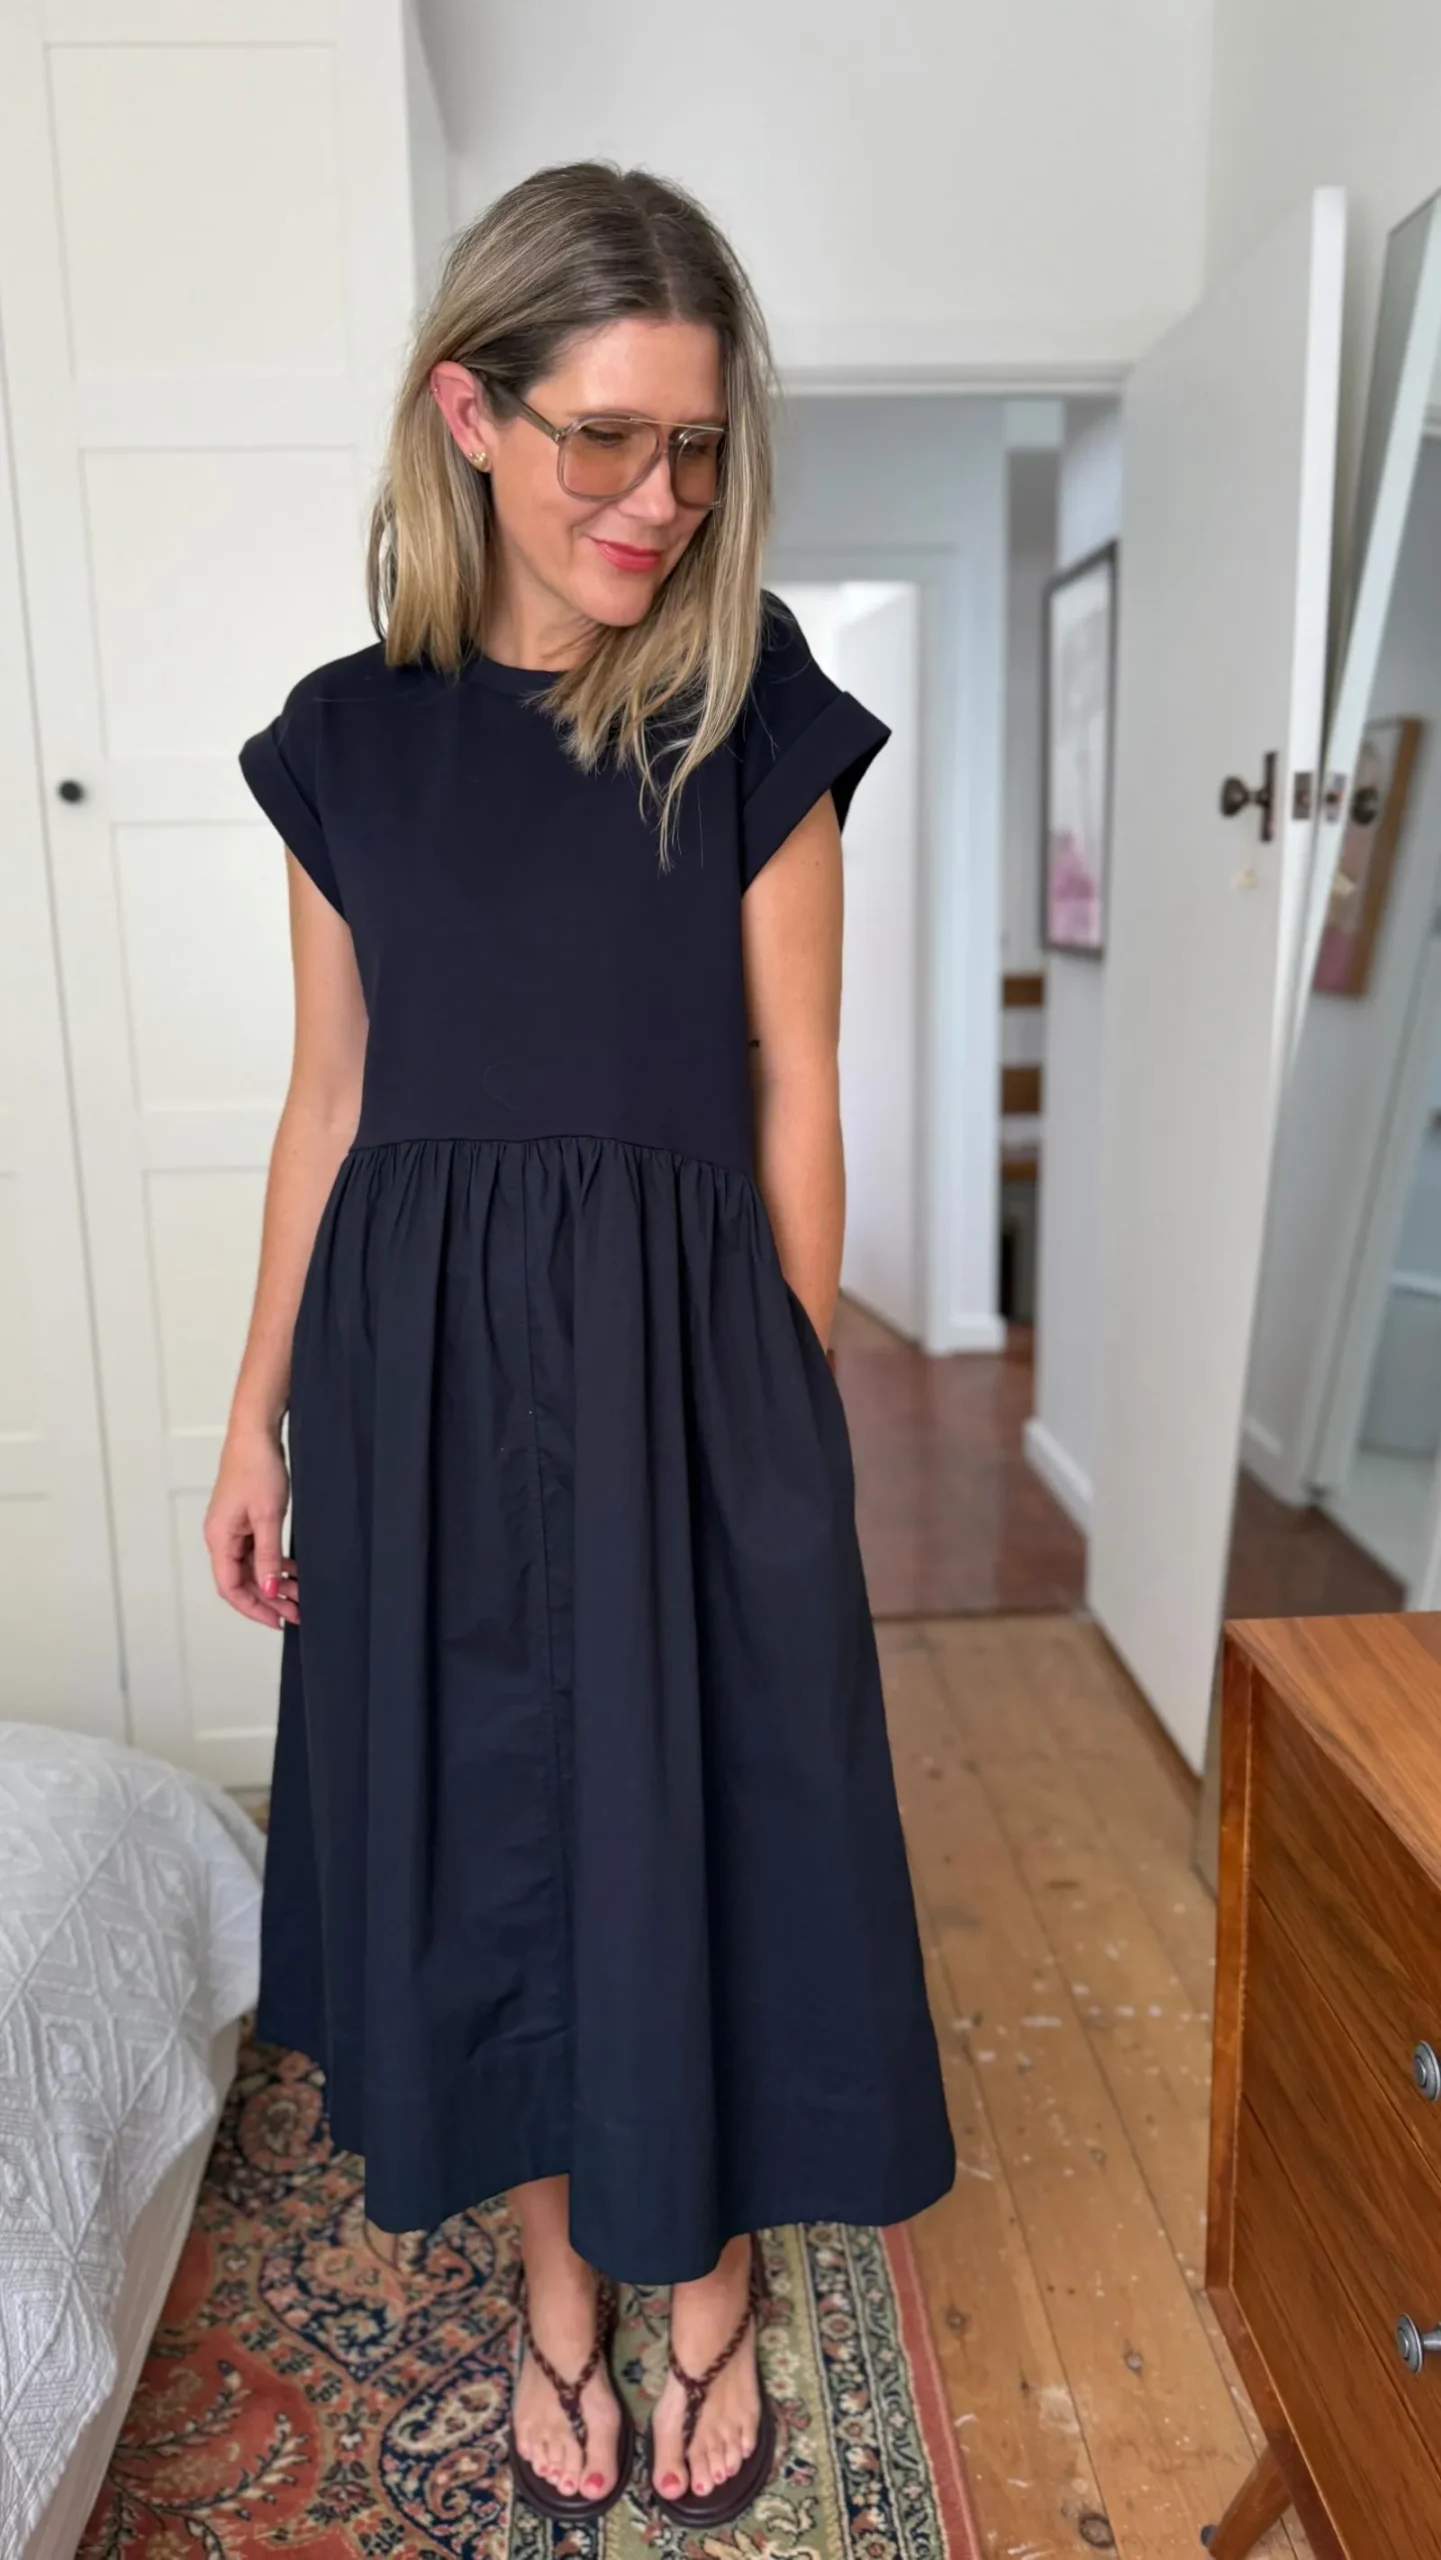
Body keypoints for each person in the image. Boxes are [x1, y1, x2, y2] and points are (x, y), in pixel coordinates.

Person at [206, 157, 954, 2533]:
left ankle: (703, 2278)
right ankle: (556, 2290)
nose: (664, 497)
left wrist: (782, 1395)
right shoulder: (343, 745)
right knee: (480, 1834)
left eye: (700, 446)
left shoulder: (755, 722)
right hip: (411, 1379)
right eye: (606, 437)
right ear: (470, 411)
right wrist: (257, 1419)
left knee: (685, 1822)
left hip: (677, 1367)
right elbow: (327, 1101)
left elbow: (797, 1089)